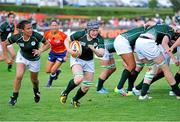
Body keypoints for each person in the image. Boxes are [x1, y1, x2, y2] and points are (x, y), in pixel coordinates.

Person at [2, 20, 50, 106]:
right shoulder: (17, 37)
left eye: (31, 28)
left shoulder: (36, 36)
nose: (31, 30)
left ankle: (36, 92)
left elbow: (47, 44)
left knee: (34, 80)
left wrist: (40, 50)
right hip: (22, 57)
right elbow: (4, 43)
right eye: (28, 28)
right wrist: (6, 57)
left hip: (34, 60)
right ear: (22, 30)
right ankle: (14, 97)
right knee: (19, 76)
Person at [60, 21, 105, 108]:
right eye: (93, 30)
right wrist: (69, 50)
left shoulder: (99, 39)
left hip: (89, 62)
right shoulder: (80, 34)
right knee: (78, 79)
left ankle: (75, 99)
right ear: (88, 30)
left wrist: (94, 49)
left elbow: (101, 53)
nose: (95, 32)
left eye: (96, 30)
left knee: (86, 86)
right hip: (77, 59)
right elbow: (67, 40)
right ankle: (65, 92)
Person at [135, 24, 180, 100]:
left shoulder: (160, 27)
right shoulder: (170, 30)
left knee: (152, 68)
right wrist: (174, 58)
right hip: (148, 43)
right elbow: (164, 43)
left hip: (138, 43)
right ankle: (177, 93)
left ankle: (143, 95)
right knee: (166, 69)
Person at [113, 26, 146, 96]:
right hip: (123, 42)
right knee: (132, 66)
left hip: (121, 41)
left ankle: (130, 90)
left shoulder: (142, 30)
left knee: (132, 67)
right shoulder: (145, 32)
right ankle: (119, 87)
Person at [44, 20, 68, 88]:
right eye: (52, 25)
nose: (54, 27)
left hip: (61, 54)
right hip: (52, 53)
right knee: (47, 70)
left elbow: (68, 45)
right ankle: (57, 72)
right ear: (50, 26)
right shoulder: (47, 34)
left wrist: (66, 55)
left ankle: (49, 83)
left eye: (55, 25)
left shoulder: (62, 35)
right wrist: (40, 50)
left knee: (52, 70)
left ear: (58, 26)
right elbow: (45, 44)